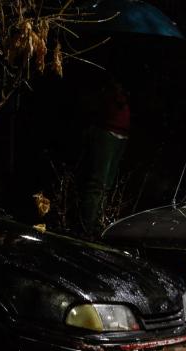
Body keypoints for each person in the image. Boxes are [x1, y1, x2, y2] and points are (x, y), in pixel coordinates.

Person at [79, 77, 130, 237]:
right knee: (98, 184)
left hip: (121, 133)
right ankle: (87, 227)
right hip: (106, 131)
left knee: (106, 186)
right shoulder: (110, 86)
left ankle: (96, 226)